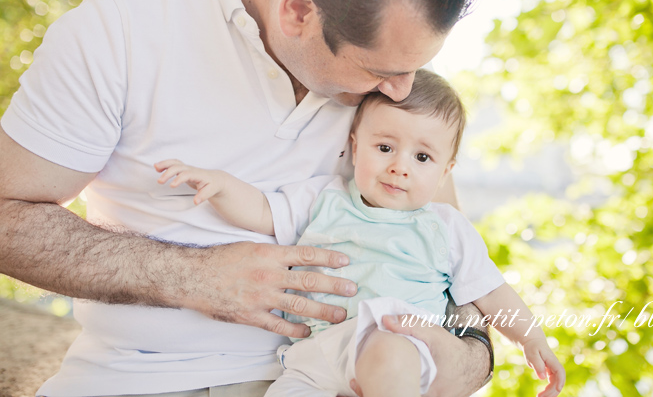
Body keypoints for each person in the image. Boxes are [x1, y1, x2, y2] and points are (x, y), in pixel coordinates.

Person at [0, 0, 495, 395]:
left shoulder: (394, 77)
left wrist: (456, 358)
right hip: (141, 379)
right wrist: (190, 276)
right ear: (298, 11)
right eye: (382, 72)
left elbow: (449, 268)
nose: (404, 91)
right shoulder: (121, 32)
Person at [155, 69, 567, 397]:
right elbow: (264, 211)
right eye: (385, 147)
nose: (399, 166)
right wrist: (222, 186)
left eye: (422, 157)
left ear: (445, 172)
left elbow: (491, 292)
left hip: (400, 345)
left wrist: (532, 339)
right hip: (313, 356)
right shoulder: (324, 197)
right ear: (355, 147)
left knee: (389, 353)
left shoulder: (444, 226)